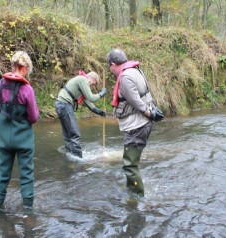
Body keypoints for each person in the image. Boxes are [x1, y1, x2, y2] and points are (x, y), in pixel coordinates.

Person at [106, 48, 163, 196]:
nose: (110, 70)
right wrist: (152, 113)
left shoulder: (125, 77)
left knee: (130, 165)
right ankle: (132, 189)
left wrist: (149, 113)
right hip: (142, 124)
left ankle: (137, 198)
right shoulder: (136, 70)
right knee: (132, 163)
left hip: (136, 126)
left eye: (109, 67)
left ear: (113, 64)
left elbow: (136, 102)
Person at [0, 51, 39, 209]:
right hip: (24, 141)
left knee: (2, 172)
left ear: (13, 66)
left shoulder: (0, 84)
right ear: (25, 69)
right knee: (26, 174)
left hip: (4, 139)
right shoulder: (27, 90)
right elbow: (33, 117)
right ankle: (28, 210)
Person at [55, 71, 107, 158]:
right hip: (65, 105)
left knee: (68, 134)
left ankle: (70, 156)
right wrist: (101, 94)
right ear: (91, 78)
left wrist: (99, 112)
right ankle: (78, 159)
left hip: (60, 105)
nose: (91, 86)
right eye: (92, 84)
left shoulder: (81, 82)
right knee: (75, 134)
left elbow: (88, 102)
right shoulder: (83, 79)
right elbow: (91, 98)